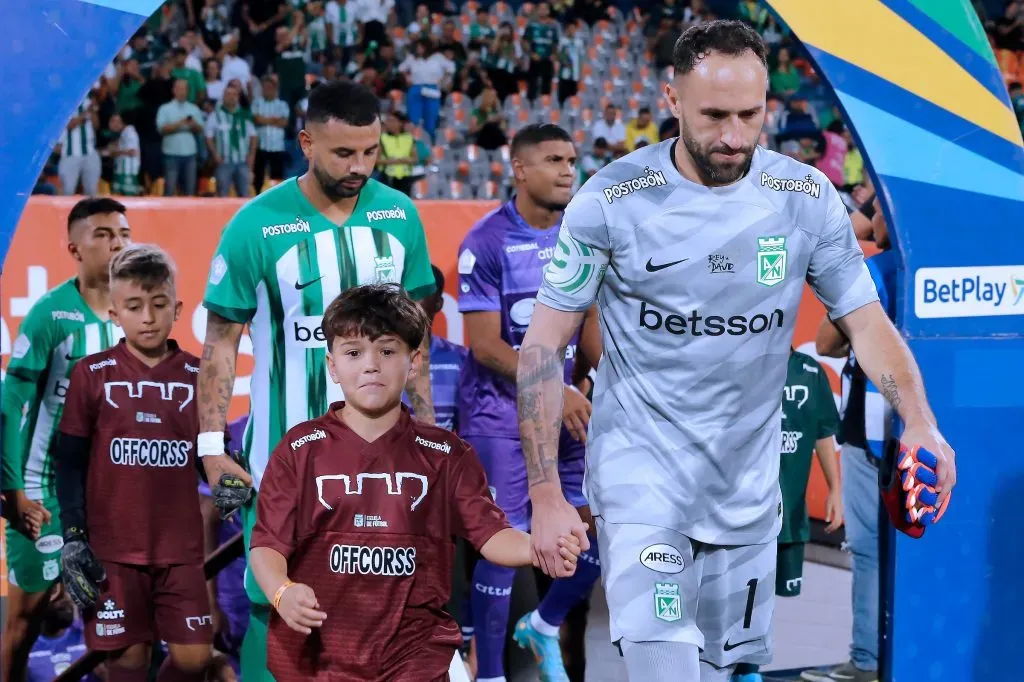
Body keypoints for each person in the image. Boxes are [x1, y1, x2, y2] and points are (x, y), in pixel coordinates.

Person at [516, 20, 957, 682]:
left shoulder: (805, 199)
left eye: (749, 115)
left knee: (729, 671)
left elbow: (868, 327)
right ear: (672, 99)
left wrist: (920, 420)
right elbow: (544, 345)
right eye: (713, 115)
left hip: (747, 495)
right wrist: (547, 492)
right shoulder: (610, 199)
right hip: (643, 481)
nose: (731, 135)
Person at [195, 79, 438, 682]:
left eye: (370, 152)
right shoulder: (255, 225)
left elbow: (418, 343)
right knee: (276, 602)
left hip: (383, 464)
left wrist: (429, 434)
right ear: (305, 142)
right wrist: (210, 450)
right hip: (286, 462)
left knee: (379, 607)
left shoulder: (399, 216)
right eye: (343, 154)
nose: (360, 167)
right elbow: (220, 344)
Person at [247, 283, 583, 681]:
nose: (371, 365)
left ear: (414, 361)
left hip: (414, 654)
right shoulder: (300, 449)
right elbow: (266, 547)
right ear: (332, 365)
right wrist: (282, 592)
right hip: (319, 655)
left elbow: (491, 535)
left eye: (387, 351)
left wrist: (537, 548)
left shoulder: (446, 455)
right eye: (354, 353)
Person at [457, 123, 603, 682]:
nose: (569, 170)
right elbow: (485, 345)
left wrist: (603, 379)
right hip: (499, 421)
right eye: (553, 160)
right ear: (519, 169)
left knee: (594, 530)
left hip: (568, 415)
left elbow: (589, 324)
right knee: (503, 544)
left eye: (572, 159)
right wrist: (556, 386)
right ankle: (489, 674)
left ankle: (544, 624)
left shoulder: (581, 233)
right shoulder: (486, 241)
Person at [54, 244, 213, 682]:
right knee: (127, 664)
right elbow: (68, 463)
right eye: (134, 306)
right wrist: (73, 536)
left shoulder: (201, 376)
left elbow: (210, 458)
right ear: (113, 313)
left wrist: (229, 478)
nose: (148, 317)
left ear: (177, 308)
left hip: (179, 548)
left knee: (195, 660)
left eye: (159, 305)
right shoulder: (91, 373)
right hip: (112, 551)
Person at [1, 198, 131, 682]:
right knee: (25, 620)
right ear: (74, 247)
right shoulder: (51, 316)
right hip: (44, 492)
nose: (116, 242)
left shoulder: (132, 317)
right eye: (102, 234)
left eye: (123, 232)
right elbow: (8, 407)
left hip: (105, 494)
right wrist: (12, 491)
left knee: (114, 618)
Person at [803, 199, 896, 682]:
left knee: (868, 548)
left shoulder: (875, 270)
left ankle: (866, 660)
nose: (871, 217)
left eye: (877, 208)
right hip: (929, 433)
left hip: (872, 432)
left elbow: (826, 342)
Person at [732, 348, 843, 682]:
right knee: (733, 593)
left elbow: (823, 433)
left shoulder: (809, 371)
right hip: (738, 514)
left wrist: (835, 487)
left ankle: (748, 671)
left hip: (787, 514)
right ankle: (729, 669)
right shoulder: (736, 361)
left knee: (763, 598)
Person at [406, 265, 468, 431]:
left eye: (419, 293)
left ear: (438, 303)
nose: (408, 300)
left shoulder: (461, 360)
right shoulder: (377, 360)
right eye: (403, 292)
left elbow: (469, 433)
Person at [26, 590, 101, 682]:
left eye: (66, 590)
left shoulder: (89, 635)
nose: (65, 598)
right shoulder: (23, 649)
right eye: (54, 591)